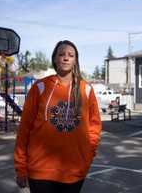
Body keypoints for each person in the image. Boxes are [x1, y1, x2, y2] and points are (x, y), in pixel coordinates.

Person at [14, 40, 102, 193]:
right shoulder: (40, 87)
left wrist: (89, 153)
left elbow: (94, 125)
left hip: (75, 170)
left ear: (75, 61)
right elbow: (24, 129)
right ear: (54, 59)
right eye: (61, 54)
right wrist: (21, 167)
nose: (66, 58)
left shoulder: (86, 89)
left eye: (71, 55)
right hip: (41, 170)